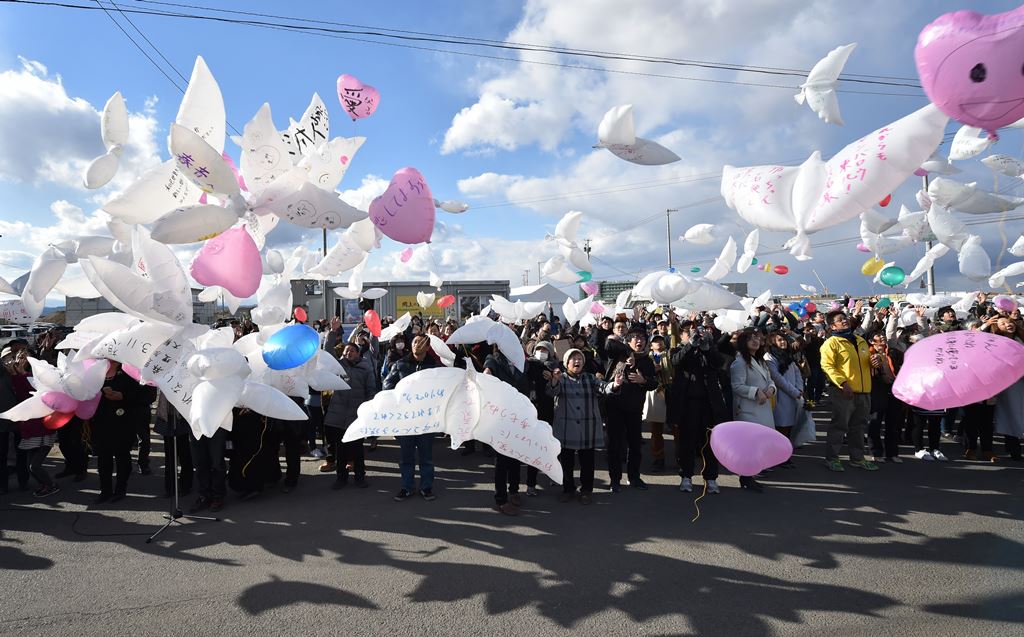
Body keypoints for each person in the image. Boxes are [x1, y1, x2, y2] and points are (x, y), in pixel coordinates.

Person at [547, 348, 621, 504]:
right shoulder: (562, 378)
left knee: (587, 461)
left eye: (579, 359)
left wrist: (615, 385)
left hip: (587, 426)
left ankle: (586, 490)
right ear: (566, 363)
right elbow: (551, 393)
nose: (577, 361)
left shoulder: (590, 378)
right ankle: (568, 489)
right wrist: (554, 380)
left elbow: (604, 387)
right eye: (573, 359)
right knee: (566, 461)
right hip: (566, 426)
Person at [667, 324, 730, 494]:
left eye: (698, 333)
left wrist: (707, 348)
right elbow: (676, 361)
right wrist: (691, 346)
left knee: (710, 442)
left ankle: (711, 478)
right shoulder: (677, 350)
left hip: (709, 404)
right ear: (682, 336)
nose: (695, 336)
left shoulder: (709, 350)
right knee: (686, 442)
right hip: (687, 404)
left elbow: (719, 363)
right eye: (689, 333)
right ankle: (686, 476)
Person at [820, 310, 879, 472]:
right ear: (832, 326)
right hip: (843, 391)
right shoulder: (831, 343)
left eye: (845, 318)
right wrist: (842, 383)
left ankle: (857, 458)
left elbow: (868, 363)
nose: (845, 321)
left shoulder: (860, 340)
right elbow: (827, 366)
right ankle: (832, 458)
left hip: (864, 391)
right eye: (840, 320)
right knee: (840, 426)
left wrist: (876, 361)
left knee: (859, 426)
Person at [91, 361, 156, 504]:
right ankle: (105, 490)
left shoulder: (130, 370)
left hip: (124, 420)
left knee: (122, 455)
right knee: (103, 457)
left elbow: (148, 395)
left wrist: (123, 396)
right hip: (101, 420)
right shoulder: (96, 370)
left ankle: (120, 489)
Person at [384, 334, 440, 501]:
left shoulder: (435, 369)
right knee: (406, 456)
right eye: (415, 341)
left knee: (426, 457)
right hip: (405, 420)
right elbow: (387, 385)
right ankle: (407, 487)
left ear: (428, 346)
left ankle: (426, 487)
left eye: (421, 342)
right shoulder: (400, 364)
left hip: (426, 421)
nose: (417, 345)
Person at [603, 329, 658, 492]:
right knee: (614, 445)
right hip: (614, 406)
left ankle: (634, 477)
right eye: (634, 338)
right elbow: (608, 343)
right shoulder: (618, 355)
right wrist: (629, 353)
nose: (639, 341)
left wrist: (643, 380)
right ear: (627, 341)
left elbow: (654, 383)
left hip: (634, 409)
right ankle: (615, 480)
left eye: (642, 338)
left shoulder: (647, 361)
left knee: (634, 445)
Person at [483, 345, 531, 515]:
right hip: (501, 418)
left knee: (516, 457)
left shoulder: (524, 363)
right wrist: (487, 373)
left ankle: (514, 490)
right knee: (502, 461)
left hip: (519, 417)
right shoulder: (495, 359)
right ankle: (501, 499)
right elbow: (488, 368)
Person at [323, 342, 376, 489]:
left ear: (358, 354)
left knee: (357, 449)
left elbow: (371, 390)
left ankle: (360, 477)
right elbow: (327, 352)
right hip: (339, 414)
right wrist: (332, 334)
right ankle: (341, 478)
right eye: (347, 351)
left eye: (353, 351)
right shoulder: (338, 367)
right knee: (341, 449)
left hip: (356, 415)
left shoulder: (366, 369)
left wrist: (369, 409)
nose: (349, 353)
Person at [730, 330, 776, 491]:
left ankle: (751, 475)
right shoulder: (740, 362)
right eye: (750, 339)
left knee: (758, 444)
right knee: (749, 445)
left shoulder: (761, 361)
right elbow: (736, 386)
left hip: (763, 408)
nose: (755, 341)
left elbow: (770, 380)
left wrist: (771, 389)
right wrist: (756, 391)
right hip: (748, 409)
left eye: (757, 338)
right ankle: (746, 478)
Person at [765, 331, 801, 468]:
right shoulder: (769, 357)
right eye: (779, 340)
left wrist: (800, 389)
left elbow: (797, 373)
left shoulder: (788, 356)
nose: (783, 342)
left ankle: (784, 455)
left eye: (784, 339)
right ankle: (777, 457)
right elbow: (778, 379)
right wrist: (795, 392)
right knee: (781, 427)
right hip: (780, 396)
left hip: (793, 396)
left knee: (788, 427)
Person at [524, 340, 555, 497]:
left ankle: (552, 475)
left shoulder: (555, 367)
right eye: (539, 349)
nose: (542, 351)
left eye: (545, 349)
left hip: (550, 411)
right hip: (532, 411)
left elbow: (559, 387)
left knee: (549, 447)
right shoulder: (529, 365)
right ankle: (531, 483)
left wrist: (553, 379)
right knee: (533, 448)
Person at [0, 347, 29, 494]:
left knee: (22, 453)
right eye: (6, 358)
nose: (9, 360)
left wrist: (19, 372)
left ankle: (23, 482)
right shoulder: (1, 374)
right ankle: (3, 485)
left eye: (12, 357)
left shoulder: (20, 374)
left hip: (19, 421)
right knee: (2, 455)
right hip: (2, 421)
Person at [154, 392, 193, 499]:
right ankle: (170, 486)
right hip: (168, 415)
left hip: (183, 414)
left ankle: (186, 485)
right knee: (170, 454)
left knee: (184, 453)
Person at [644, 334, 673, 472]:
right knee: (656, 429)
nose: (659, 343)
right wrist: (652, 371)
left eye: (661, 340)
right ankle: (658, 458)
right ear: (651, 345)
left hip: (671, 391)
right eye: (655, 341)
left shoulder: (670, 354)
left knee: (676, 427)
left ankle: (680, 458)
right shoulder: (647, 358)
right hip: (655, 392)